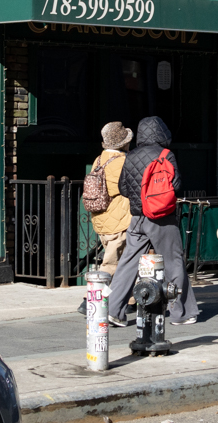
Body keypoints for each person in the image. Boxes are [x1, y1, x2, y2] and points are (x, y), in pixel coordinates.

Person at [106, 116, 199, 327]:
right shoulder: (167, 155)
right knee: (174, 262)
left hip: (137, 218)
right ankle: (180, 313)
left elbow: (123, 188)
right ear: (162, 133)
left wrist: (140, 201)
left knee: (128, 263)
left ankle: (113, 311)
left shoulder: (131, 155)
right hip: (161, 219)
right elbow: (175, 185)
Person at [77, 122, 133, 316]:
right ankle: (90, 299)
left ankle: (130, 299)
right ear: (123, 143)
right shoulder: (122, 162)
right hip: (119, 219)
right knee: (111, 262)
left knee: (127, 259)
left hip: (102, 218)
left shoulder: (100, 159)